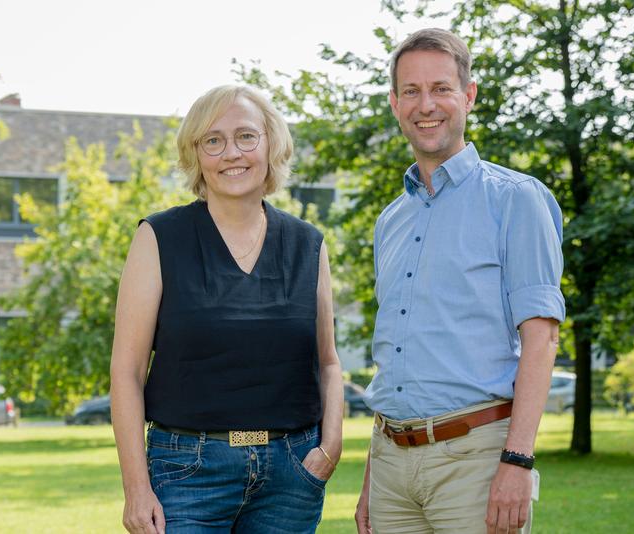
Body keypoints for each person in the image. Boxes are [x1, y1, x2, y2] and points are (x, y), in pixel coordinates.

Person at [354, 28, 565, 534]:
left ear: (468, 96)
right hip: (391, 466)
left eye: (441, 89)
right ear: (395, 103)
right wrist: (370, 479)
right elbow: (395, 358)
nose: (426, 105)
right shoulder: (390, 221)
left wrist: (518, 460)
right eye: (411, 91)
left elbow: (543, 338)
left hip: (476, 461)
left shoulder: (516, 199)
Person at [110, 85, 343, 534]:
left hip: (291, 476)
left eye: (246, 136)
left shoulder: (307, 244)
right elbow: (127, 370)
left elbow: (329, 361)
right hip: (187, 473)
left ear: (270, 144)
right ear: (195, 155)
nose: (231, 152)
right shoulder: (159, 238)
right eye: (212, 140)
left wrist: (330, 445)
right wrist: (136, 488)